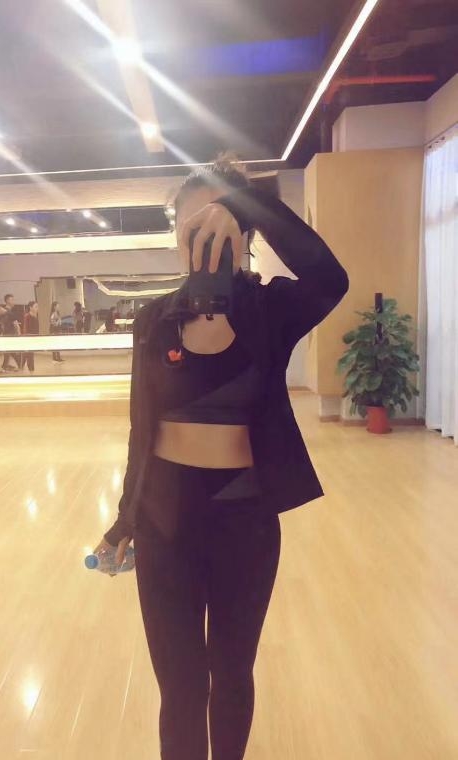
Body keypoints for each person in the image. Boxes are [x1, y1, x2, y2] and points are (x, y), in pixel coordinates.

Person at [94, 154, 349, 760]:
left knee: (232, 674)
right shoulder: (153, 319)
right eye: (191, 227)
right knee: (179, 686)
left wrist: (244, 201)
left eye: (218, 223)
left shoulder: (271, 310)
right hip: (164, 522)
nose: (203, 239)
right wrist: (124, 520)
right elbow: (141, 430)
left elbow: (329, 278)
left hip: (245, 522)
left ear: (242, 233)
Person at [0, 294, 21, 373]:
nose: (14, 301)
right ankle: (17, 366)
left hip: (8, 335)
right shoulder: (8, 312)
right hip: (10, 335)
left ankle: (5, 366)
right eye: (12, 300)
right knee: (10, 352)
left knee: (9, 351)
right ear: (7, 301)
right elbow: (16, 325)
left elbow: (3, 324)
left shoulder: (5, 312)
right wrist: (19, 335)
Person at [21, 301, 39, 373]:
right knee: (29, 354)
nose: (37, 308)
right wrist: (28, 338)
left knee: (26, 354)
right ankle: (31, 369)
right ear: (30, 308)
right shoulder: (27, 316)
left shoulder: (35, 316)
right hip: (28, 338)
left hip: (33, 337)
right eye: (36, 307)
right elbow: (25, 328)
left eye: (37, 307)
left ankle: (21, 366)